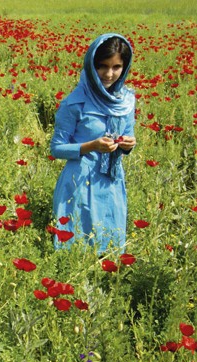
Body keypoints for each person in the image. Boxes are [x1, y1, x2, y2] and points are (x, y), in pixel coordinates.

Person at [50, 33, 136, 255]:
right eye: (102, 66)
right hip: (80, 181)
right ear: (90, 65)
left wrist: (128, 144)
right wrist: (92, 146)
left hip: (112, 181)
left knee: (109, 244)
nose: (109, 74)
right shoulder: (74, 103)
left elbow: (128, 133)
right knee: (76, 247)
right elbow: (56, 148)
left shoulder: (126, 101)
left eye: (117, 67)